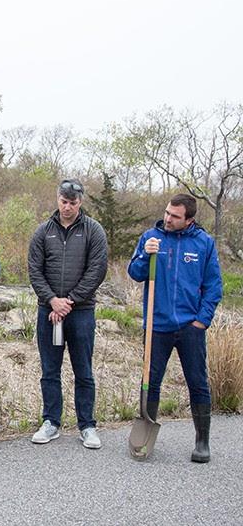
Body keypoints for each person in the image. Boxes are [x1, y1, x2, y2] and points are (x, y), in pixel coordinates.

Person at [128, 193, 222, 463]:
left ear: (189, 219)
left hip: (190, 327)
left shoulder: (204, 244)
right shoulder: (151, 238)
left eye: (175, 216)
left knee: (197, 382)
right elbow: (134, 273)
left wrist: (201, 321)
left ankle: (202, 441)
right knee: (150, 381)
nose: (168, 218)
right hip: (157, 326)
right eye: (167, 212)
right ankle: (146, 434)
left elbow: (213, 287)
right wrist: (146, 256)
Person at [28, 179, 108, 449]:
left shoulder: (94, 231)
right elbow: (34, 271)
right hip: (48, 313)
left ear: (80, 202)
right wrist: (52, 301)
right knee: (50, 370)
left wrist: (69, 302)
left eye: (73, 202)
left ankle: (87, 425)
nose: (68, 207)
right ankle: (51, 422)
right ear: (57, 199)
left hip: (81, 312)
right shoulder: (43, 232)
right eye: (64, 201)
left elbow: (96, 271)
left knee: (83, 370)